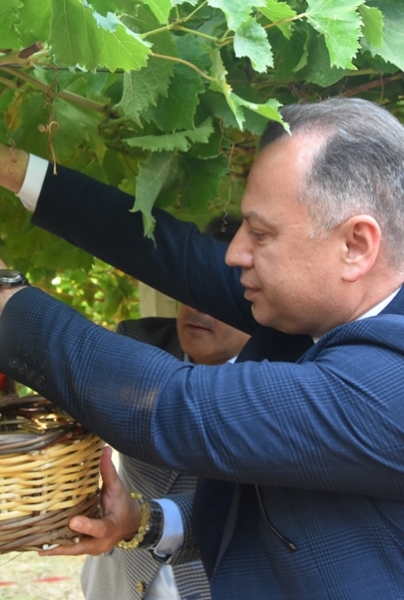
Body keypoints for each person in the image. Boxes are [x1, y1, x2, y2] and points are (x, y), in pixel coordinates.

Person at [0, 97, 404, 598]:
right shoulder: (352, 298)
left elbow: (175, 408)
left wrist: (6, 298)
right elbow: (178, 257)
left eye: (261, 233)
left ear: (355, 245)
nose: (236, 252)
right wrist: (6, 167)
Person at [82, 216, 250, 600]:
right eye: (191, 285)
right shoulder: (139, 344)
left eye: (219, 291)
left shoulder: (290, 381)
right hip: (117, 585)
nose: (198, 305)